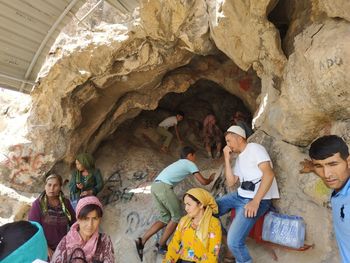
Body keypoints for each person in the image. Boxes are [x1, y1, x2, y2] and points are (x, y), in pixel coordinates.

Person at [135, 146, 215, 261]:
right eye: (194, 156)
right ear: (189, 155)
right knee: (176, 217)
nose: (195, 158)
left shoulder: (179, 163)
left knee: (164, 218)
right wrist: (211, 178)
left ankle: (142, 241)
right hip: (164, 187)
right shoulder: (189, 163)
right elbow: (203, 181)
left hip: (155, 186)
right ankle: (161, 245)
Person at [216, 125, 279, 263]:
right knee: (208, 209)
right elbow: (231, 182)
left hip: (258, 200)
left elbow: (268, 174)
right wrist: (226, 158)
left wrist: (255, 201)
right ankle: (229, 247)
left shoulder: (255, 148)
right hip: (240, 196)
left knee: (235, 241)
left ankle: (238, 253)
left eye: (229, 141)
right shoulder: (239, 158)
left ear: (239, 138)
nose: (228, 145)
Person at [300, 135, 350, 263]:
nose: (327, 174)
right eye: (319, 166)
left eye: (333, 164)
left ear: (348, 162)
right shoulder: (340, 184)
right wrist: (312, 167)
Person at [164, 188, 222, 263]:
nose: (186, 208)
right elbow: (174, 245)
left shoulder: (214, 223)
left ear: (201, 204)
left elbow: (213, 253)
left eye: (189, 204)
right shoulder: (184, 221)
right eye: (185, 204)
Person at [51, 196, 115, 263]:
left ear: (99, 220)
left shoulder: (104, 241)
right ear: (78, 219)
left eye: (95, 219)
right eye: (86, 219)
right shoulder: (65, 243)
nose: (90, 224)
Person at [28, 174, 76, 260]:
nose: (51, 188)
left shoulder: (65, 203)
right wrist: (46, 248)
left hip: (62, 248)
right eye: (49, 185)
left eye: (55, 185)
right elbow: (33, 229)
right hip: (43, 249)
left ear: (60, 187)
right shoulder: (38, 204)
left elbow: (74, 224)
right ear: (45, 186)